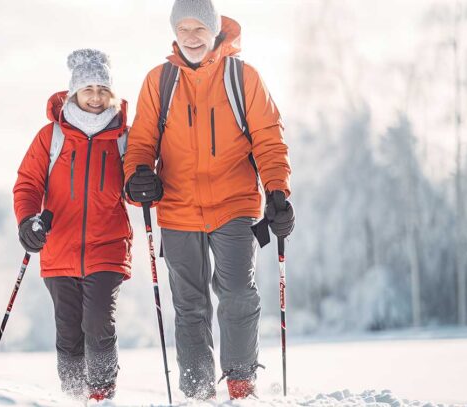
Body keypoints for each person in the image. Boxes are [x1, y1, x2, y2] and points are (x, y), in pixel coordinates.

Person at [121, 0, 296, 400]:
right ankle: (198, 392)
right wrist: (138, 176)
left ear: (214, 30)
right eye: (183, 30)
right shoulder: (159, 80)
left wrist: (277, 191)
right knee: (189, 304)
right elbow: (142, 142)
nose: (192, 38)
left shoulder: (243, 77)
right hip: (178, 209)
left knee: (237, 292)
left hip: (235, 204)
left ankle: (240, 382)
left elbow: (269, 139)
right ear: (174, 34)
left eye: (199, 29)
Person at [12, 49, 133, 402]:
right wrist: (27, 222)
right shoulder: (51, 137)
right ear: (73, 93)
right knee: (68, 331)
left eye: (101, 89)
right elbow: (27, 184)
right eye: (87, 89)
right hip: (59, 246)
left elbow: (142, 192)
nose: (95, 97)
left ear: (111, 94)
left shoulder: (125, 138)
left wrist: (147, 185)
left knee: (98, 322)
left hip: (108, 245)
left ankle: (101, 394)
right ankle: (72, 396)